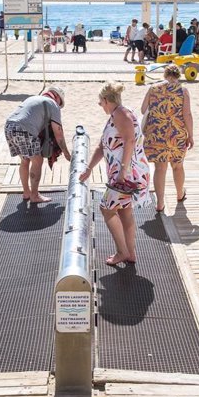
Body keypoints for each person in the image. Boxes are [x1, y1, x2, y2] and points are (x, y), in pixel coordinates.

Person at [79, 82, 150, 266]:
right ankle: (130, 253)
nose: (99, 106)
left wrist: (122, 172)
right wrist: (89, 168)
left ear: (105, 100)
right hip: (123, 172)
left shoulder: (121, 114)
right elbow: (102, 147)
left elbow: (129, 141)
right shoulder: (115, 115)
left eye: (100, 102)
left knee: (107, 209)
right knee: (125, 212)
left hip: (128, 174)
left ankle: (122, 252)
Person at [4, 86, 71, 203]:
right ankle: (34, 196)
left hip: (9, 126)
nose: (59, 107)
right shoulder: (53, 104)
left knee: (25, 160)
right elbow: (58, 132)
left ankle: (26, 192)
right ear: (58, 98)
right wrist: (66, 153)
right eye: (60, 104)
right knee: (37, 161)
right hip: (24, 129)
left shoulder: (34, 98)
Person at [141, 64, 194, 213]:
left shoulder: (153, 88)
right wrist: (191, 135)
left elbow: (143, 109)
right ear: (178, 76)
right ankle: (179, 194)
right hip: (176, 134)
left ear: (165, 75)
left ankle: (160, 203)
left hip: (157, 133)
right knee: (177, 166)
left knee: (160, 168)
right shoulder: (183, 91)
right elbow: (187, 115)